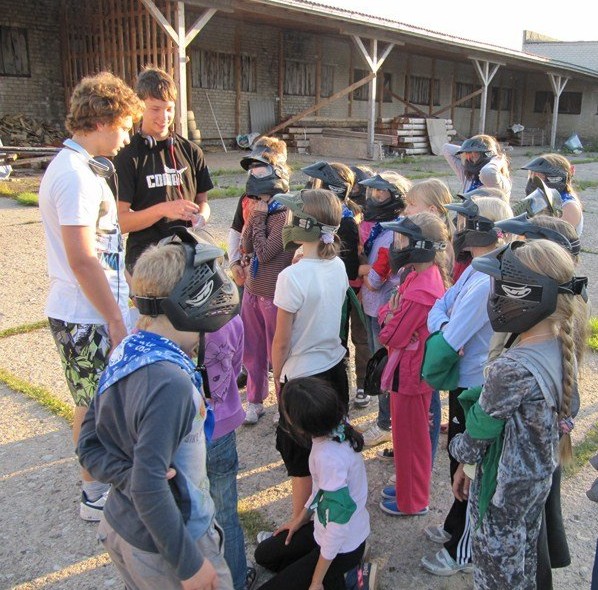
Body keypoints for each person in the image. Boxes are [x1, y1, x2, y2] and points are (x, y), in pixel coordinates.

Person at [77, 229, 239, 590]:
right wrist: (189, 565)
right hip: (172, 543)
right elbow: (150, 485)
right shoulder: (170, 384)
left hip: (125, 528)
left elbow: (88, 445)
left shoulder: (128, 350)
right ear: (190, 303)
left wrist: (132, 476)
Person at [449, 239, 587, 589]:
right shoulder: (561, 346)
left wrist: (458, 451)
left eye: (502, 287)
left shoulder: (510, 368)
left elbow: (476, 437)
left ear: (527, 297)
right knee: (523, 570)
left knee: (497, 576)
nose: (495, 296)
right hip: (534, 486)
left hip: (502, 496)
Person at [38, 72, 143, 522]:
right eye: (125, 126)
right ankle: (93, 492)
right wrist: (115, 320)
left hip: (97, 308)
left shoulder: (82, 168)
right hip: (86, 314)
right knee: (93, 404)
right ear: (103, 120)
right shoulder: (75, 176)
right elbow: (82, 259)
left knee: (104, 401)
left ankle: (103, 481)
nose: (127, 137)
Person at [420, 196, 512, 576]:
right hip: (464, 378)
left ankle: (466, 550)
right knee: (456, 454)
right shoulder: (477, 266)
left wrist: (444, 324)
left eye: (465, 223)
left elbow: (451, 333)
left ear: (482, 229)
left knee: (469, 463)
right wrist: (445, 322)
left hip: (476, 384)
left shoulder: (489, 276)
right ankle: (455, 523)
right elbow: (441, 307)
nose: (458, 230)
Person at [271, 189, 350, 521]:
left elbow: (281, 341)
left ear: (305, 225)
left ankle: (297, 525)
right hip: (334, 370)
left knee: (300, 459)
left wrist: (278, 379)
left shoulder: (291, 277)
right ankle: (329, 510)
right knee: (329, 445)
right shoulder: (339, 265)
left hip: (302, 377)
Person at [254, 377, 370, 590]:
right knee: (264, 555)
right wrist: (300, 519)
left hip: (341, 548)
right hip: (323, 531)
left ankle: (350, 578)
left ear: (299, 425)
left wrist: (316, 581)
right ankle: (329, 575)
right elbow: (319, 489)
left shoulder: (328, 459)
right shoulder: (333, 428)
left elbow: (337, 528)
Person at [376, 213, 450, 517]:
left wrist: (390, 316)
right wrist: (390, 314)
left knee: (412, 440)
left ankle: (414, 501)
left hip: (410, 375)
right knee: (406, 437)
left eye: (403, 239)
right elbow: (388, 313)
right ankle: (408, 489)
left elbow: (389, 334)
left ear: (420, 246)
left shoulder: (421, 291)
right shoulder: (416, 275)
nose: (398, 245)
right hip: (407, 370)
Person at [113, 66, 213, 273]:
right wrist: (162, 210)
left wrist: (201, 217)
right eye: (155, 109)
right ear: (140, 107)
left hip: (188, 256)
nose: (164, 117)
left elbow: (202, 202)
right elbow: (120, 222)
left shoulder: (192, 151)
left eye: (169, 109)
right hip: (146, 261)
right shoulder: (127, 157)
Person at [300, 161, 365, 408]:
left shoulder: (345, 221)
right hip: (327, 290)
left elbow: (349, 266)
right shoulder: (331, 218)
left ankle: (342, 396)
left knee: (339, 343)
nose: (314, 188)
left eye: (319, 184)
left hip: (339, 294)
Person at [356, 171, 411, 448]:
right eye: (373, 191)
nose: (375, 196)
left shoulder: (394, 232)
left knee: (384, 367)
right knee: (378, 363)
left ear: (396, 196)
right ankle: (384, 418)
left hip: (384, 307)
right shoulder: (379, 227)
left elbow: (375, 280)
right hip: (372, 305)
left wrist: (361, 268)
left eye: (382, 192)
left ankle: (385, 424)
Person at [238, 152, 293, 424]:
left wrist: (258, 219)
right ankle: (255, 399)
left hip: (273, 293)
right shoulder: (260, 208)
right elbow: (247, 246)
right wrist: (254, 216)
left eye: (260, 171)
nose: (255, 176)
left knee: (277, 351)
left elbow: (265, 252)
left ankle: (284, 403)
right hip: (252, 289)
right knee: (253, 350)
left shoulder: (285, 213)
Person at [521, 153, 583, 235]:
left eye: (537, 176)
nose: (532, 181)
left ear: (555, 178)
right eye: (531, 175)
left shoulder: (569, 206)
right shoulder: (539, 201)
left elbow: (554, 236)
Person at [442, 134, 511, 200]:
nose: (471, 156)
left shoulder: (497, 180)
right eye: (469, 152)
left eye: (477, 152)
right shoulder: (469, 175)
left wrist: (498, 158)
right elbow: (446, 148)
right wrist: (466, 150)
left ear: (488, 154)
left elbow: (487, 172)